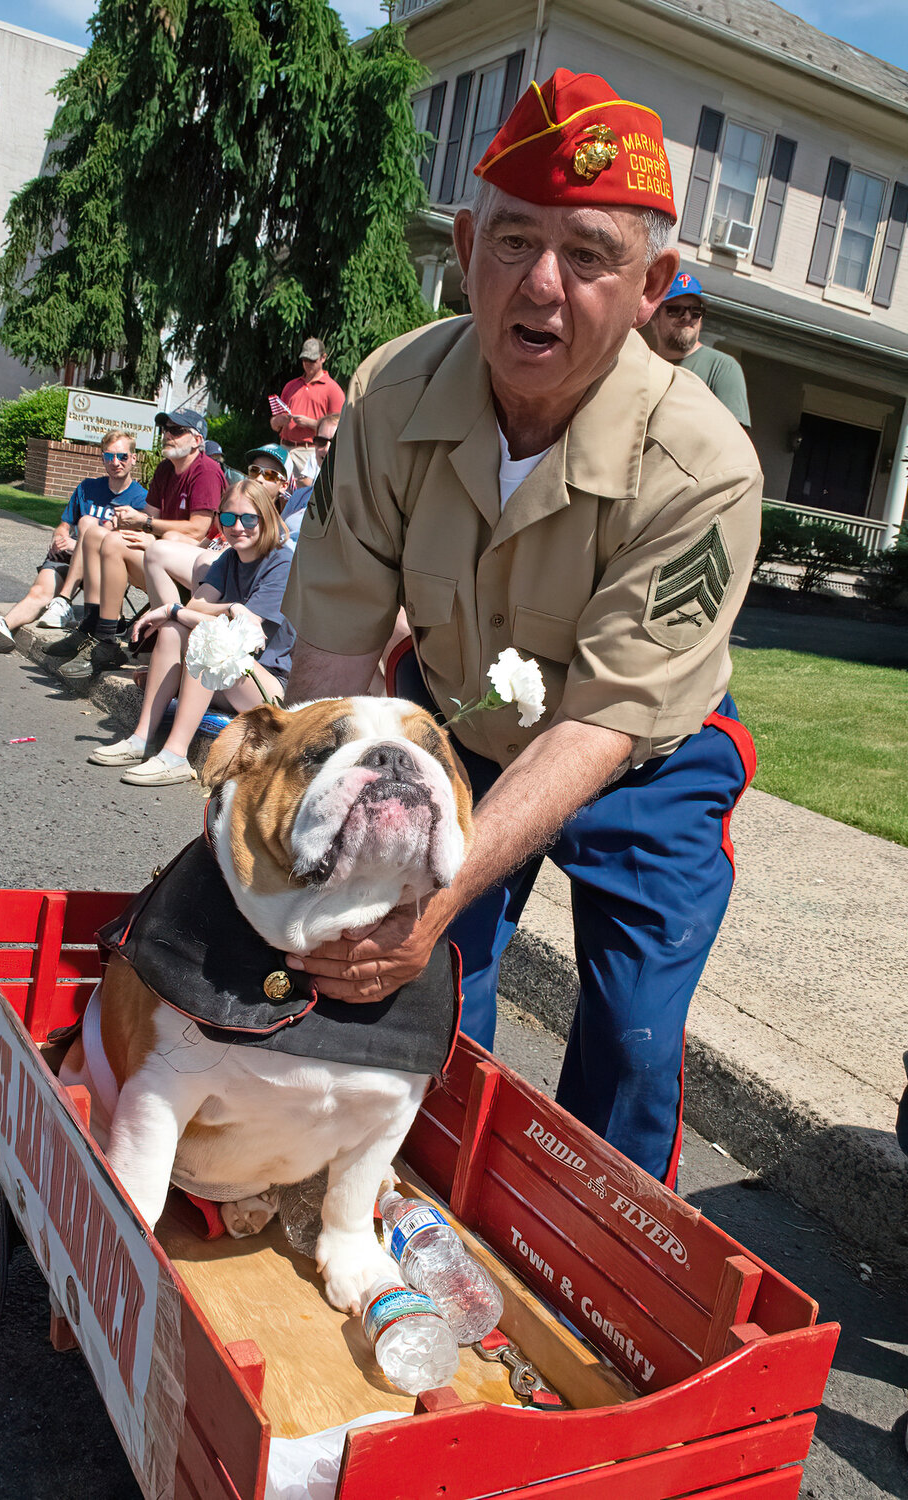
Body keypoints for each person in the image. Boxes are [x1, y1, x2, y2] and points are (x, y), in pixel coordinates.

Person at [281, 69, 762, 1187]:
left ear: (650, 287)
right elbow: (339, 649)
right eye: (511, 241)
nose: (539, 285)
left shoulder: (703, 465)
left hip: (642, 750)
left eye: (589, 255)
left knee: (635, 1033)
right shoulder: (393, 394)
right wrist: (313, 839)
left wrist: (437, 885)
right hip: (458, 716)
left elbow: (601, 720)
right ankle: (422, 1204)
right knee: (427, 969)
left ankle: (608, 1257)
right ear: (463, 243)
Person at [87, 478, 294, 785]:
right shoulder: (229, 558)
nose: (238, 526)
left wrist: (175, 608)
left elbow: (243, 628)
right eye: (228, 518)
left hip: (269, 688)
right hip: (230, 677)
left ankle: (175, 756)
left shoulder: (282, 563)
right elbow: (197, 607)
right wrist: (227, 608)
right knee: (173, 630)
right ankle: (141, 738)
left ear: (266, 517)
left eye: (249, 518)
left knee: (210, 639)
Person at [55, 407, 225, 681]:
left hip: (194, 575)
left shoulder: (206, 470)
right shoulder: (165, 469)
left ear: (196, 440)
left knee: (115, 543)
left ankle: (106, 640)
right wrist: (127, 521)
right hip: (162, 558)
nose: (168, 435)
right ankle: (92, 626)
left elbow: (198, 530)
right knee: (96, 531)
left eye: (177, 430)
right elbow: (149, 517)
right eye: (166, 430)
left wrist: (146, 528)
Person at [0, 431, 145, 652]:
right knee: (38, 592)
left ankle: (64, 600)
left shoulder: (141, 499)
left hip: (105, 566)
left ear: (134, 458)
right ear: (102, 458)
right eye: (109, 457)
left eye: (122, 456)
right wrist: (60, 537)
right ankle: (3, 627)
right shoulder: (87, 487)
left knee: (88, 523)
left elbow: (125, 540)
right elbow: (64, 524)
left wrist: (77, 545)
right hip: (69, 557)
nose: (115, 463)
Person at [138, 442, 289, 613]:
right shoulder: (232, 505)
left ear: (283, 485)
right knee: (163, 544)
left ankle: (178, 624)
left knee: (200, 559)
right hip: (210, 559)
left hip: (223, 571)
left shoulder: (275, 524)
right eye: (255, 471)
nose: (259, 478)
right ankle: (167, 624)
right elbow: (205, 543)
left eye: (270, 475)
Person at [647, 274, 750, 426]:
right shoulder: (645, 364)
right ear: (655, 317)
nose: (687, 317)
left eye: (695, 311)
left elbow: (732, 440)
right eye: (675, 310)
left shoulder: (722, 368)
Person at [269, 338, 345, 479]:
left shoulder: (332, 389)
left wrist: (310, 423)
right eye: (305, 360)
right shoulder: (291, 386)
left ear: (323, 358)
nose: (307, 364)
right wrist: (278, 420)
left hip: (309, 452)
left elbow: (341, 428)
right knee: (280, 495)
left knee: (305, 495)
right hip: (284, 448)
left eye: (312, 360)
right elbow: (274, 425)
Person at [280, 414, 339, 552]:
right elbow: (277, 533)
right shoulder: (300, 495)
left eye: (335, 441)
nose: (326, 448)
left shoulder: (355, 498)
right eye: (320, 441)